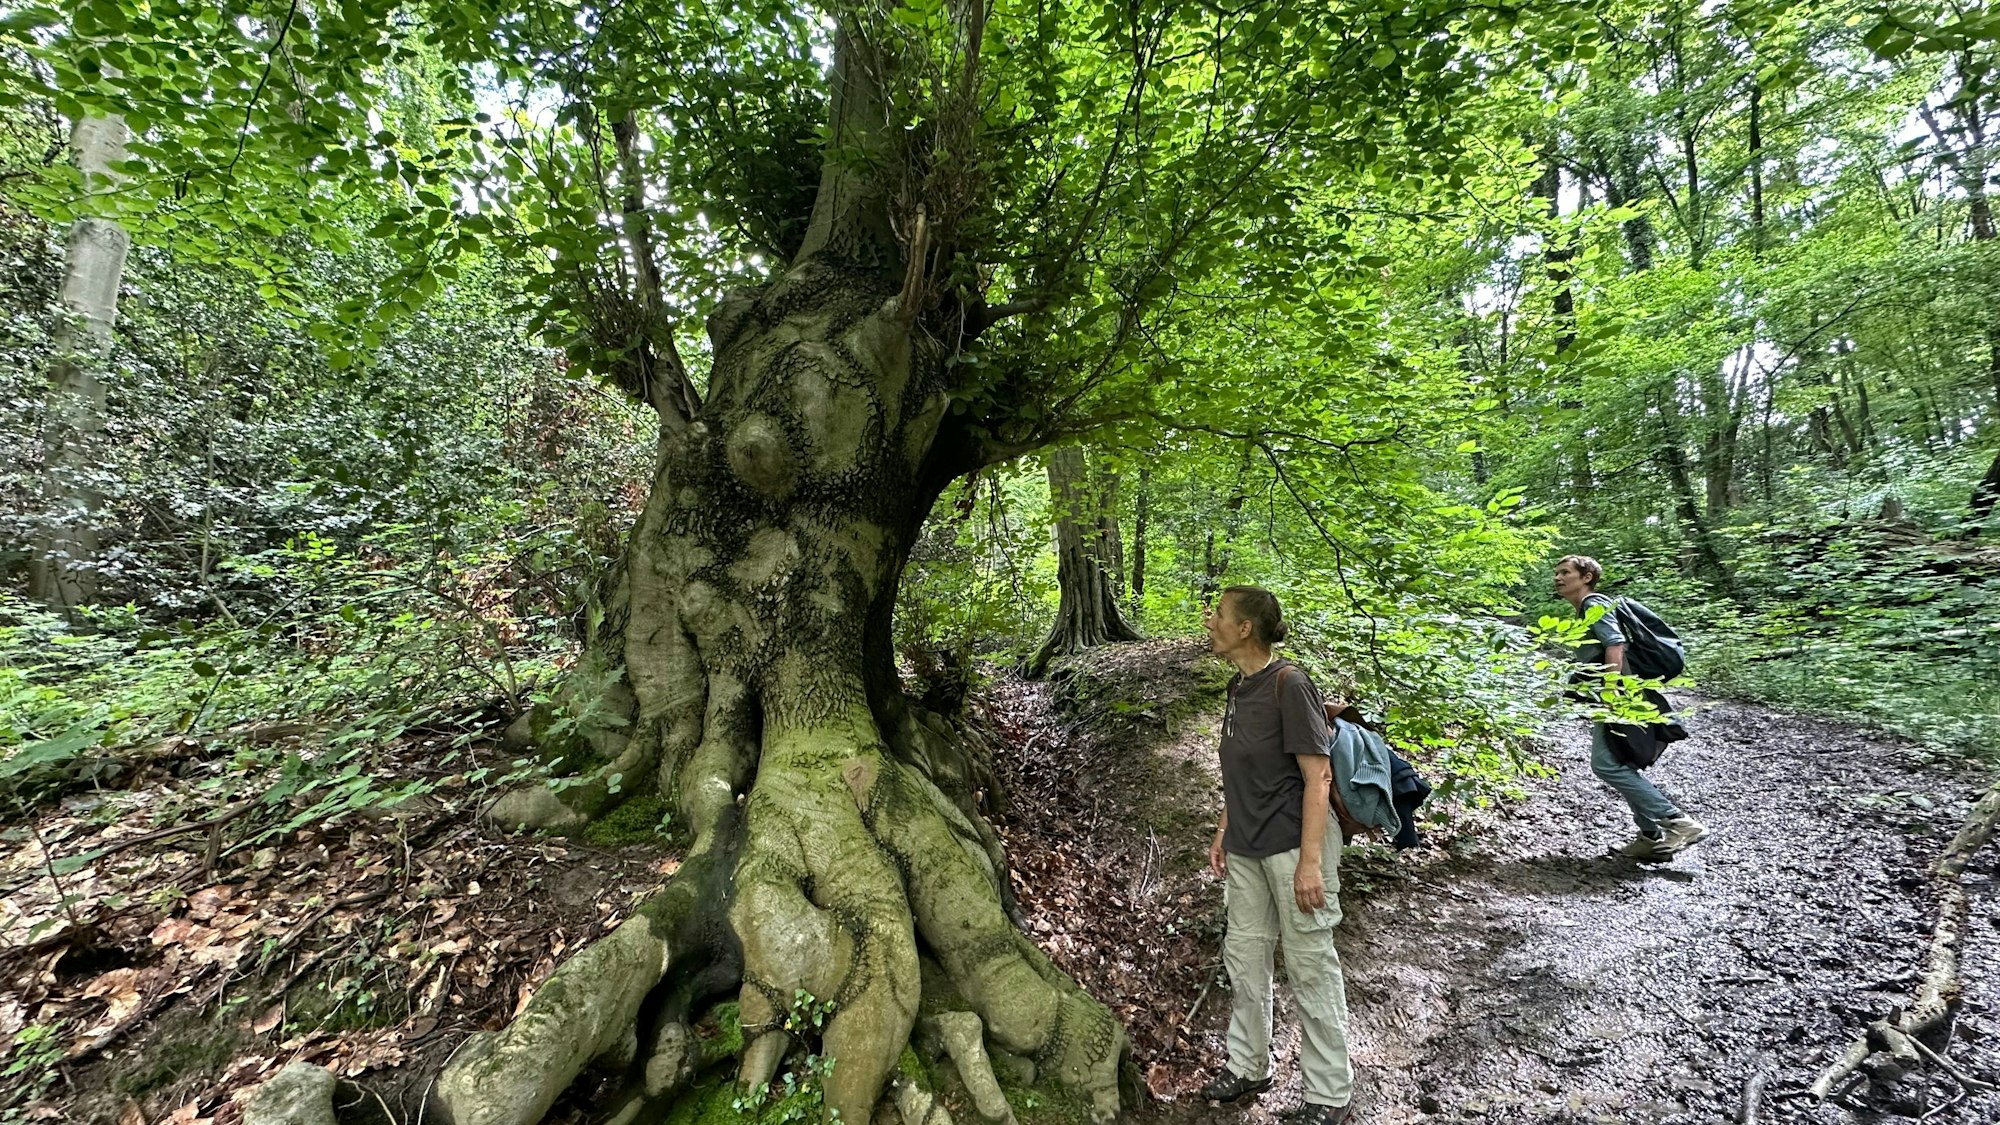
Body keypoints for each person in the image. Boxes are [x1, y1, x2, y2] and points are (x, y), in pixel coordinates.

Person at [1198, 586, 1356, 1124]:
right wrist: (1225, 826)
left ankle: (1329, 1093)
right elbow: (1241, 769)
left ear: (1245, 628)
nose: (1209, 620)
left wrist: (1311, 863)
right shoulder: (1236, 688)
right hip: (1245, 846)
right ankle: (1247, 1065)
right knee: (1245, 959)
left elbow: (1318, 778)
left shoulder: (1290, 685)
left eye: (1218, 614)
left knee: (1310, 965)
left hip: (1293, 846)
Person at [1552, 555, 1708, 861]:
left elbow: (1615, 643)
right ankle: (1649, 837)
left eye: (1565, 572)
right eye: (1556, 573)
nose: (1558, 578)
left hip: (1619, 693)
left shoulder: (1595, 604)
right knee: (1622, 762)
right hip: (1622, 692)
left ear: (1586, 577)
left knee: (1606, 764)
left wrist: (1610, 690)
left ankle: (1677, 821)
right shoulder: (1588, 608)